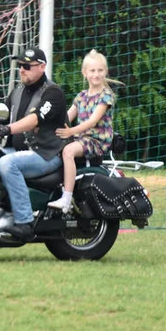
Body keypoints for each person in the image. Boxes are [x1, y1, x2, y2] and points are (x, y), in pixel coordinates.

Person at [0, 46, 67, 239]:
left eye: (27, 66)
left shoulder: (52, 93)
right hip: (18, 150)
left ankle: (24, 222)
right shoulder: (17, 92)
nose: (22, 69)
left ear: (42, 67)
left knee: (8, 163)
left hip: (46, 154)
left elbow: (35, 119)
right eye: (20, 65)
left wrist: (8, 129)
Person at [47, 50, 118, 213]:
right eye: (92, 71)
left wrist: (71, 131)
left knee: (68, 151)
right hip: (81, 139)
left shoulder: (106, 96)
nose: (96, 74)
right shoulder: (81, 97)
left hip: (96, 141)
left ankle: (66, 198)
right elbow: (66, 117)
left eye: (100, 70)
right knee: (53, 147)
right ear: (85, 73)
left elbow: (93, 121)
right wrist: (46, 126)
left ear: (105, 72)